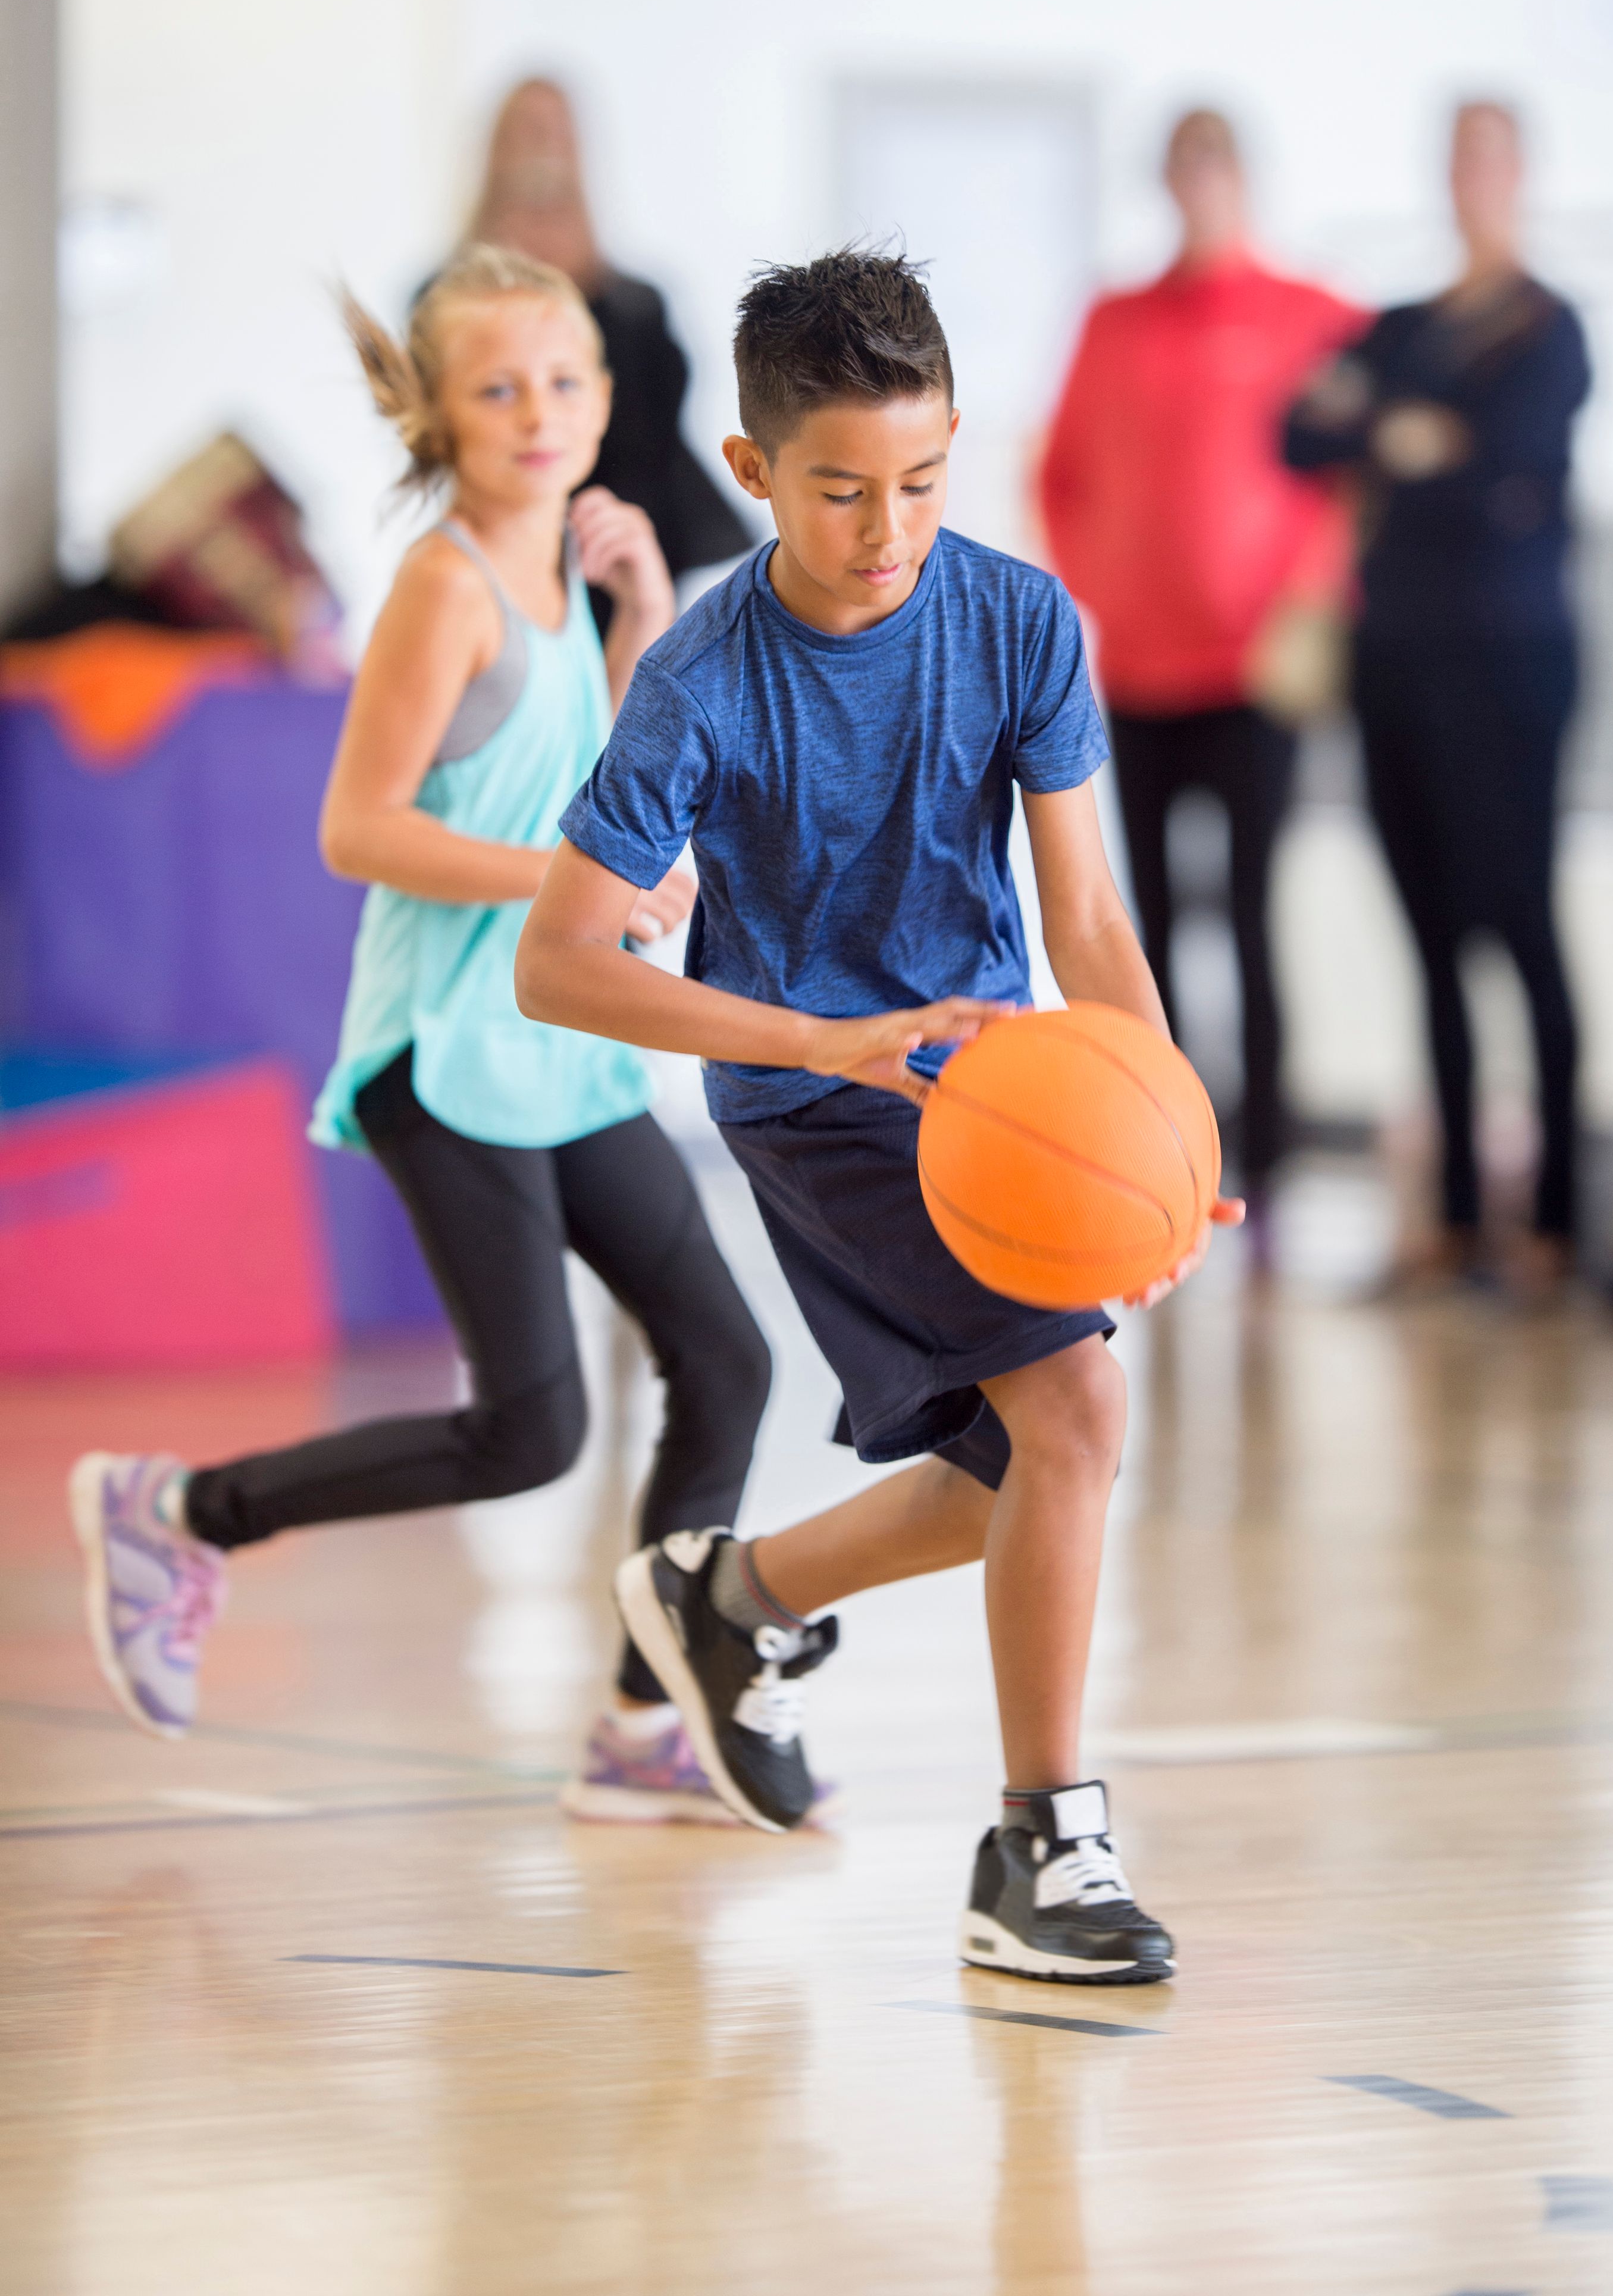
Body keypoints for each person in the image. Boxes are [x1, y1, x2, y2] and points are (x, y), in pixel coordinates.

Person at [515, 249, 1243, 1984]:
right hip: (810, 1098)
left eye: (920, 482)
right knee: (1071, 1407)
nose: (887, 527)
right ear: (755, 470)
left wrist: (1164, 1138)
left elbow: (1086, 925)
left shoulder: (1021, 624)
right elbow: (559, 964)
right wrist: (833, 1050)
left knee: (1022, 1463)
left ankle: (732, 1597)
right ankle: (1039, 1850)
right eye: (841, 490)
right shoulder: (699, 680)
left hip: (996, 1094)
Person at [69, 245, 776, 1825]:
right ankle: (182, 1511)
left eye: (565, 381)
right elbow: (359, 828)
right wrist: (565, 881)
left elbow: (586, 768)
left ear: (607, 395)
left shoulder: (573, 579)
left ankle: (641, 1724)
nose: (540, 413)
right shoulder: (445, 588)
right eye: (498, 388)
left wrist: (645, 609)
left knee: (723, 1361)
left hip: (562, 1044)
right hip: (442, 1058)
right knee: (532, 1430)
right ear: (439, 417)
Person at [1039, 110, 1365, 1252]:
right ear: (1166, 184)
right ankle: (1162, 1152)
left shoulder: (1311, 317)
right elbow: (1060, 474)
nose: (1199, 189)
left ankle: (1266, 1163)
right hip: (1138, 669)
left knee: (1255, 910)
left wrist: (1310, 600)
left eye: (1216, 168)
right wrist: (1105, 596)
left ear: (1242, 180)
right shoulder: (1114, 320)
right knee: (1151, 924)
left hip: (1255, 675)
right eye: (1183, 170)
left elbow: (1349, 484)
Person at [1283, 102, 1590, 1299]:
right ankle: (1457, 1221)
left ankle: (1554, 1224)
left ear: (1519, 173)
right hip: (1394, 663)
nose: (1471, 178)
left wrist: (1409, 437)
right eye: (1456, 155)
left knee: (1521, 928)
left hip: (1513, 670)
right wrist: (1406, 436)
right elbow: (1299, 434)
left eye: (1490, 156)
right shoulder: (1402, 325)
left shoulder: (1551, 330)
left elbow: (1508, 463)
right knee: (1427, 942)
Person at [465, 78, 752, 586]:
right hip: (495, 560)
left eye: (553, 132)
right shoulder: (445, 303)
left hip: (619, 564)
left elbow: (652, 443)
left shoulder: (638, 310)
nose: (539, 152)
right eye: (524, 132)